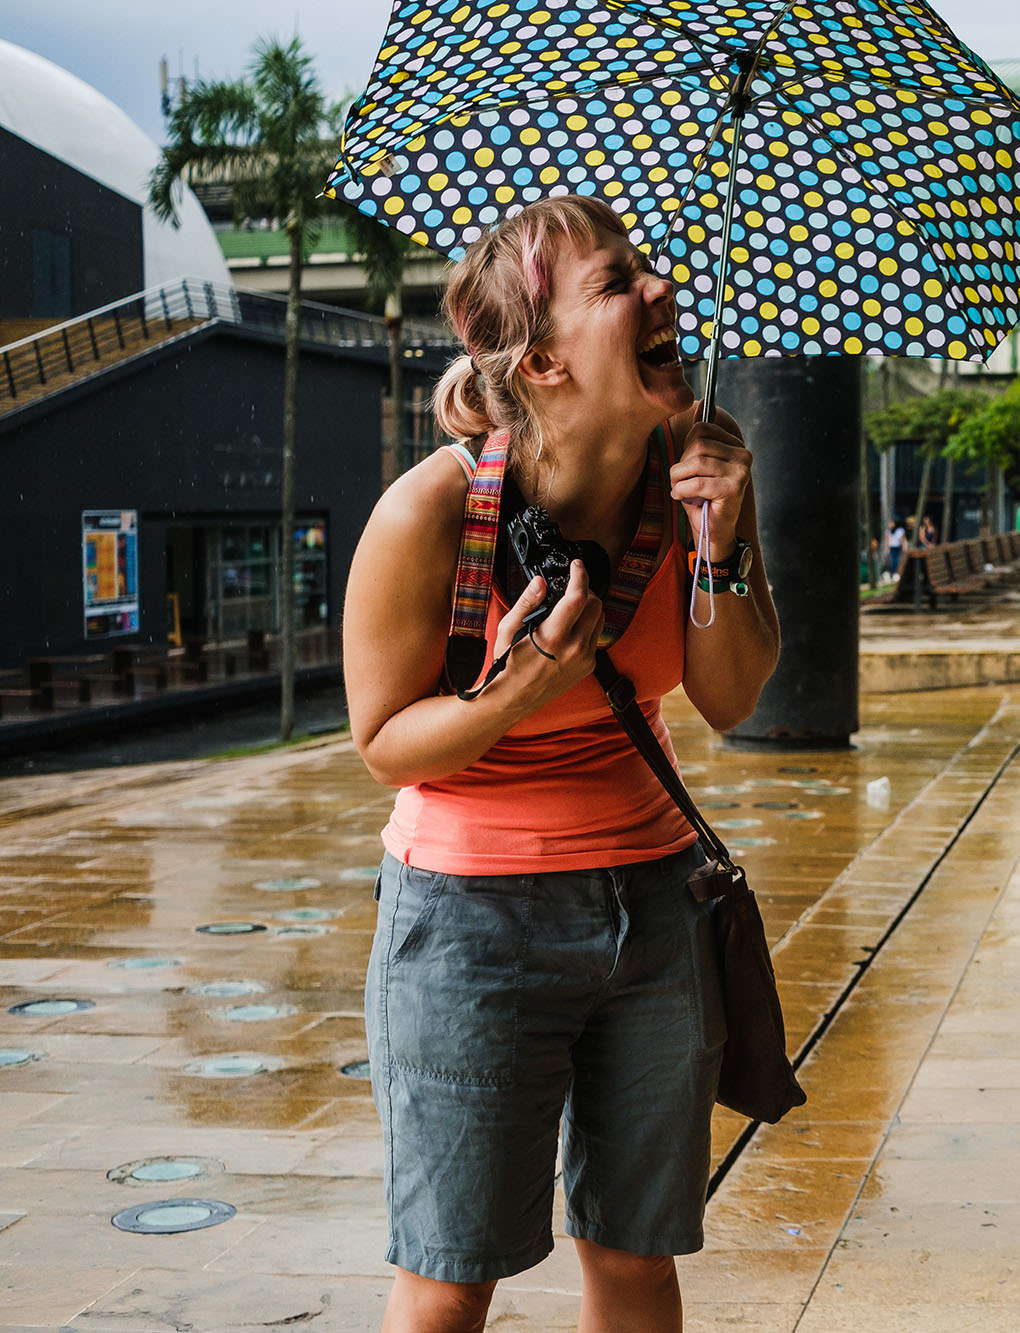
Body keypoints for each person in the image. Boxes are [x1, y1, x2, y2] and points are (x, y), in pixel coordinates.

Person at [342, 195, 779, 1332]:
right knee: (452, 1270)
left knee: (636, 1256)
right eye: (616, 283)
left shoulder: (696, 480)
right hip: (465, 926)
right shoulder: (430, 512)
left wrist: (724, 542)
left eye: (647, 268)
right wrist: (520, 686)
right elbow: (385, 743)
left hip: (654, 904)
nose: (658, 291)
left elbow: (729, 699)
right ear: (538, 359)